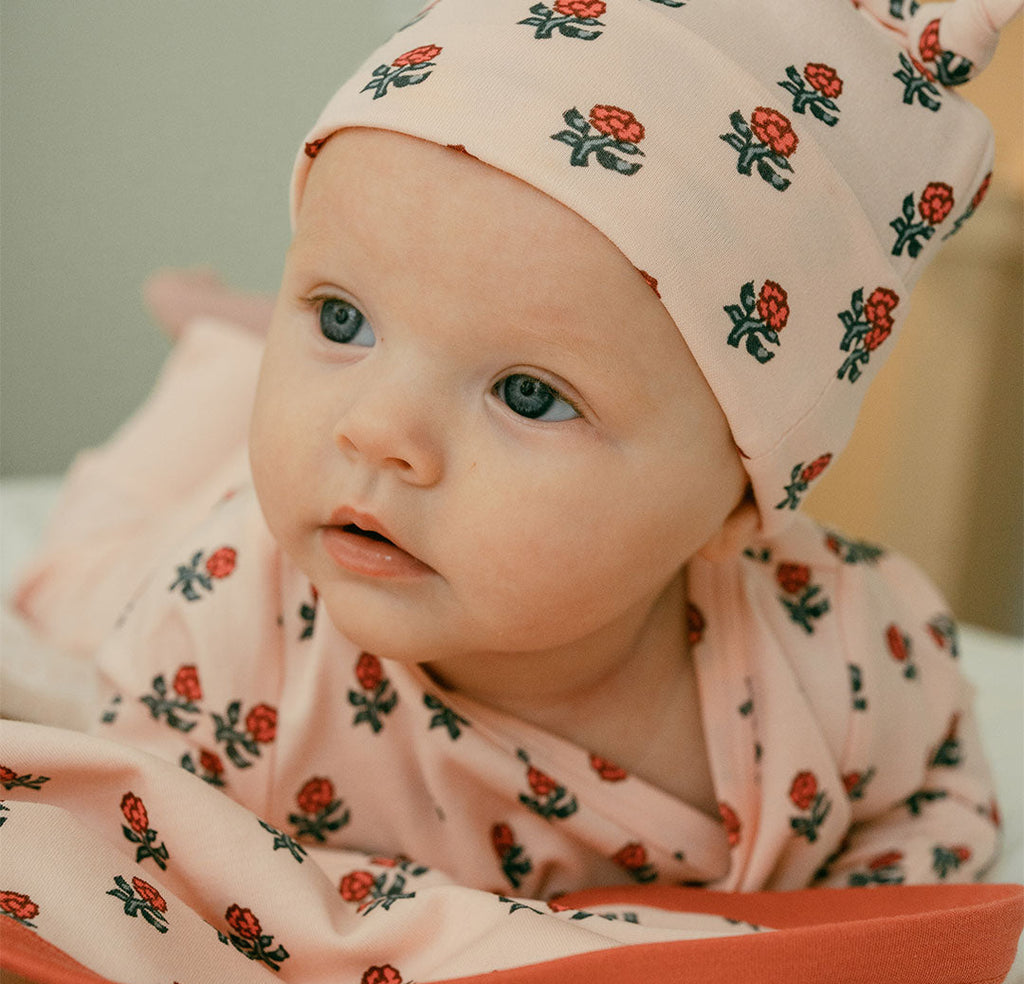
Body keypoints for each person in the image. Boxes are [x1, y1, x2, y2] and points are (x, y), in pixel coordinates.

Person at [13, 0, 1017, 900]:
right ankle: (225, 351)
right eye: (340, 315)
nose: (379, 431)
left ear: (741, 501)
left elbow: (935, 809)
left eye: (529, 394)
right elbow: (135, 864)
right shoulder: (227, 628)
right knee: (87, 562)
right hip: (194, 540)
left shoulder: (839, 655)